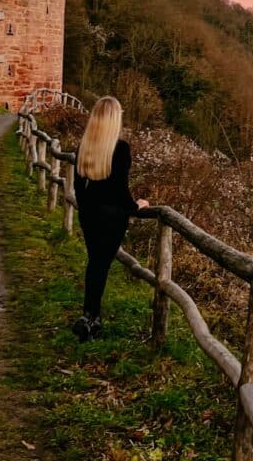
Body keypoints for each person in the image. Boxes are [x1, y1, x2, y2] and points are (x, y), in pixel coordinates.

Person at [72, 96, 151, 341]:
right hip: (111, 218)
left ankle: (90, 316)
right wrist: (136, 206)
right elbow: (119, 190)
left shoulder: (84, 147)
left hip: (89, 215)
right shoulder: (120, 149)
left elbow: (79, 188)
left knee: (94, 264)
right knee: (100, 266)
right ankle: (90, 318)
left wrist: (85, 212)